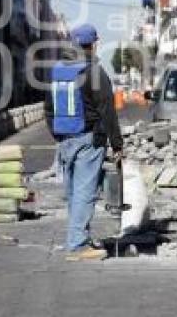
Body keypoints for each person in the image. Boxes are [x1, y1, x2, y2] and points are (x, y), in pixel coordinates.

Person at [45, 24, 122, 261]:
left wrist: (57, 135)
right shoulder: (94, 72)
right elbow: (107, 111)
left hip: (65, 139)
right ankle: (78, 245)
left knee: (73, 192)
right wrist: (117, 144)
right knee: (85, 192)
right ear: (94, 44)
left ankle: (79, 237)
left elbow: (48, 108)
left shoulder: (57, 71)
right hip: (89, 139)